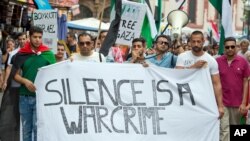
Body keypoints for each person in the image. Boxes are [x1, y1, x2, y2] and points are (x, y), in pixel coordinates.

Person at [13, 26, 56, 141]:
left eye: (40, 37)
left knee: (38, 129)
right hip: (24, 97)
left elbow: (57, 71)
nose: (37, 39)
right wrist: (25, 81)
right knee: (26, 129)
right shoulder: (21, 54)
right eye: (35, 37)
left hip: (41, 97)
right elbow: (15, 75)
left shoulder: (48, 54)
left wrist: (69, 62)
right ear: (29, 37)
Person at [175, 30, 224, 120]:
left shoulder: (211, 60)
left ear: (203, 42)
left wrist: (220, 106)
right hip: (186, 100)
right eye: (193, 41)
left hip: (204, 101)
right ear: (190, 42)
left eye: (198, 41)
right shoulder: (182, 57)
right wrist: (193, 67)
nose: (196, 44)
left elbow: (217, 84)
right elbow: (177, 77)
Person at [216, 37, 249, 141]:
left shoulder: (243, 62)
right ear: (224, 48)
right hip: (222, 103)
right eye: (227, 47)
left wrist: (244, 103)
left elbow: (246, 83)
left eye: (232, 46)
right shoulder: (217, 61)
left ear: (236, 47)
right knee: (224, 130)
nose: (230, 49)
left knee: (237, 130)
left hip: (238, 103)